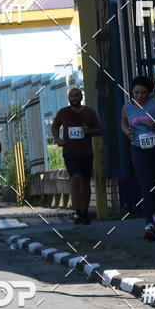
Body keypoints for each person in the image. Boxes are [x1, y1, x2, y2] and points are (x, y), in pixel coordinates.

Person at [121, 75, 155, 241]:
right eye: (136, 92)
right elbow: (123, 123)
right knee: (145, 184)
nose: (139, 96)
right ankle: (149, 224)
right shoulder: (127, 107)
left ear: (149, 92)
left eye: (143, 93)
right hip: (138, 148)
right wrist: (126, 130)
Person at [52, 87, 101, 224]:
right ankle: (77, 212)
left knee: (85, 182)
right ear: (68, 98)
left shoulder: (89, 112)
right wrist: (57, 139)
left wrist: (89, 131)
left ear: (81, 97)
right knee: (75, 179)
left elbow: (99, 129)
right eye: (71, 95)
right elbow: (55, 126)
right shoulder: (63, 112)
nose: (74, 97)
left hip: (86, 153)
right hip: (70, 152)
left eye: (76, 95)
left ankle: (85, 212)